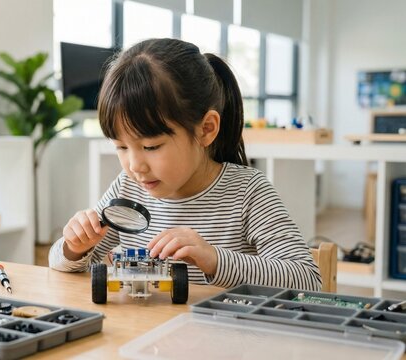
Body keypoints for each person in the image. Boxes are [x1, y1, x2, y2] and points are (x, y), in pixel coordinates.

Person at [49, 38, 322, 291]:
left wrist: (214, 259)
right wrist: (75, 247)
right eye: (121, 147)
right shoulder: (127, 189)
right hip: (142, 336)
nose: (135, 166)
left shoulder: (247, 191)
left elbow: (307, 280)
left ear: (206, 129)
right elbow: (66, 266)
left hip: (224, 337)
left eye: (151, 147)